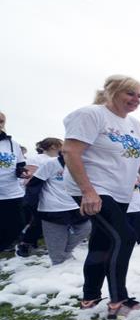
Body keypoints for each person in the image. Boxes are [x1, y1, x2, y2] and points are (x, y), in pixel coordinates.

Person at [61, 75, 140, 318]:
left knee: (102, 241)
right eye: (130, 93)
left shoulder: (134, 123)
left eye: (139, 95)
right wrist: (88, 191)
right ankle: (119, 299)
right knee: (125, 237)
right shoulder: (91, 114)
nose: (136, 99)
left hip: (120, 190)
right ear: (112, 92)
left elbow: (139, 156)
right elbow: (71, 151)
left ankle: (90, 295)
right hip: (94, 188)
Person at [24, 151, 92, 265]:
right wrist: (32, 205)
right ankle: (59, 265)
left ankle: (65, 254)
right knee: (56, 247)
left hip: (75, 205)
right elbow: (34, 184)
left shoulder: (86, 164)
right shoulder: (51, 164)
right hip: (53, 208)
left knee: (85, 228)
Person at [17, 137, 63, 257]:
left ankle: (55, 244)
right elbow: (29, 177)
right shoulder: (38, 158)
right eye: (61, 144)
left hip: (57, 195)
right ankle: (25, 244)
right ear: (53, 146)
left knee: (50, 222)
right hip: (40, 195)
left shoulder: (58, 159)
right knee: (38, 221)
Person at [0, 111, 28, 253]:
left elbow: (19, 164)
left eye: (1, 121)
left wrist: (21, 171)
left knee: (17, 225)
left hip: (12, 194)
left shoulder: (12, 144)